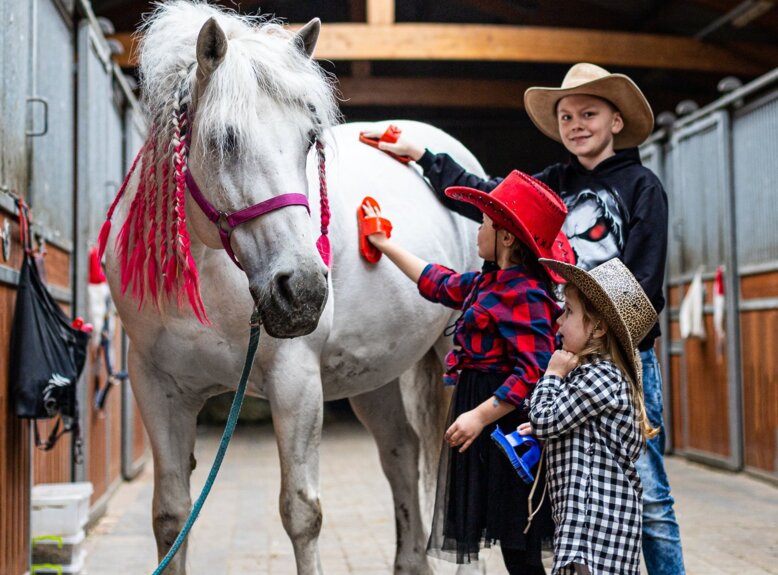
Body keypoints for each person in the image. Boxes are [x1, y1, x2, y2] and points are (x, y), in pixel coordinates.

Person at [364, 62, 684, 575]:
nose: (576, 124)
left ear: (617, 122)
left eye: (589, 113)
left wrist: (598, 346)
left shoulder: (643, 187)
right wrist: (425, 156)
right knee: (569, 489)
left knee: (645, 493)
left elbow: (644, 281)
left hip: (620, 357)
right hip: (553, 353)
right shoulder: (552, 182)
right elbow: (495, 203)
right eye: (566, 116)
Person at [363, 170, 573, 573]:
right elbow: (437, 282)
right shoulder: (486, 283)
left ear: (507, 238)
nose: (478, 231)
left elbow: (535, 371)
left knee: (521, 541)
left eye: (485, 224)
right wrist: (384, 244)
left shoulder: (525, 292)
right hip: (482, 413)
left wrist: (479, 416)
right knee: (513, 541)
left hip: (508, 424)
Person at [524, 257, 659, 575]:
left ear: (598, 328)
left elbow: (546, 420)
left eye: (569, 311)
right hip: (597, 528)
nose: (558, 320)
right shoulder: (598, 376)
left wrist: (553, 374)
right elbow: (564, 424)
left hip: (593, 531)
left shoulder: (598, 377)